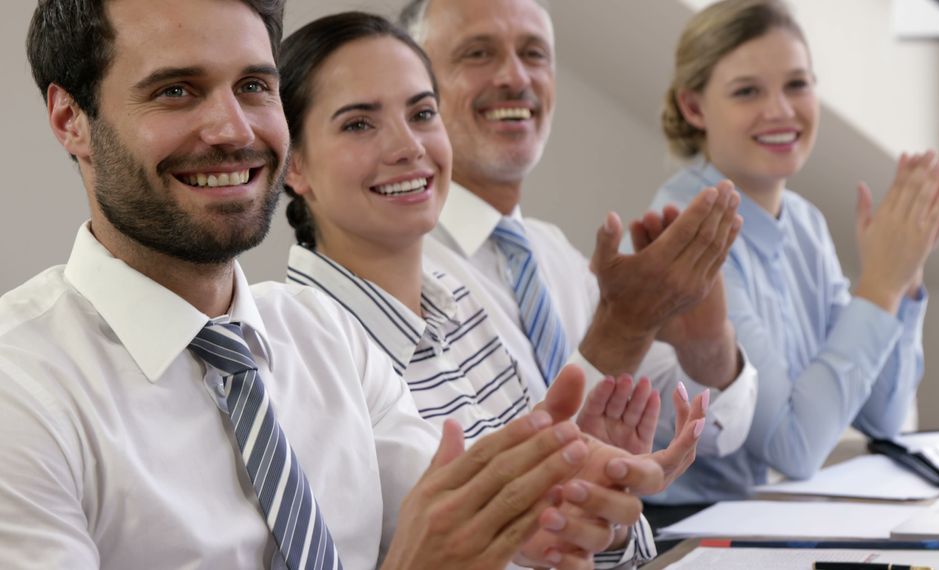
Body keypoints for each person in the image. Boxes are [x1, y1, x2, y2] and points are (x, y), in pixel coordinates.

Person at [0, 0, 658, 567]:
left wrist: (571, 503)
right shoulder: (22, 391)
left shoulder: (324, 336)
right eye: (176, 90)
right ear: (70, 120)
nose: (233, 130)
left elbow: (495, 540)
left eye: (255, 88)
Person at [276, 12, 696, 567]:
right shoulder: (295, 349)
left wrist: (594, 499)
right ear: (293, 164)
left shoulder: (458, 300)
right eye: (358, 124)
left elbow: (607, 546)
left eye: (423, 113)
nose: (409, 147)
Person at [397, 0, 759, 480]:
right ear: (413, 91)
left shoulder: (553, 254)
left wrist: (707, 343)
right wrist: (624, 329)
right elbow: (494, 497)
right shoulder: (401, 271)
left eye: (534, 54)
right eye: (478, 53)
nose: (515, 78)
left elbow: (713, 435)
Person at [640, 0, 939, 502]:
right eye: (747, 91)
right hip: (683, 536)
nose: (780, 110)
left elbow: (882, 417)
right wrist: (880, 286)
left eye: (797, 84)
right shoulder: (684, 232)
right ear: (694, 107)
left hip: (767, 521)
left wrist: (906, 269)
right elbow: (793, 446)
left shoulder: (803, 222)